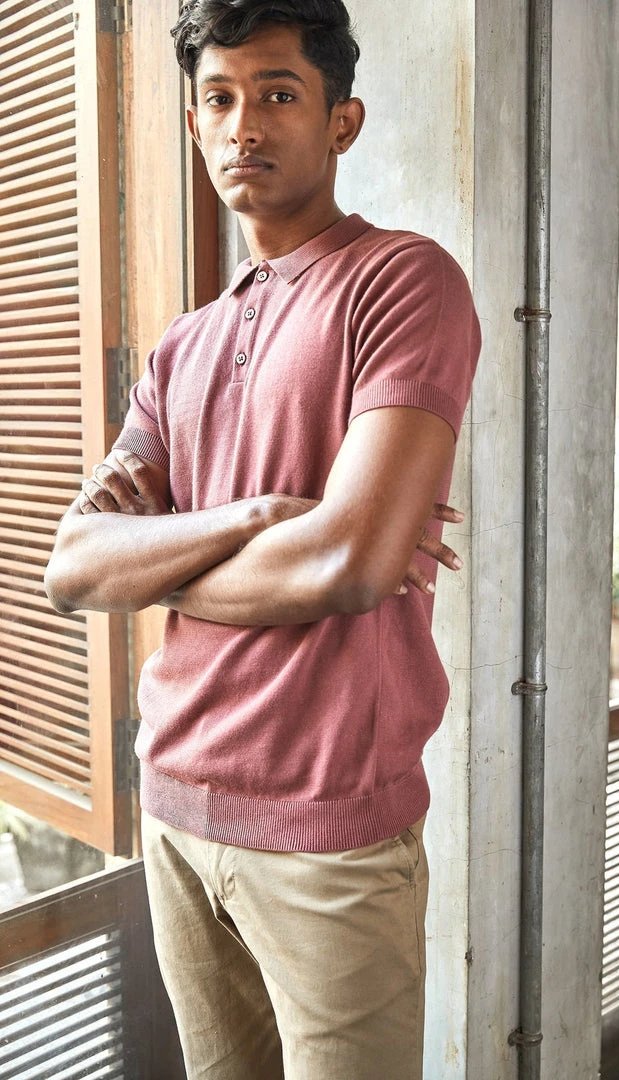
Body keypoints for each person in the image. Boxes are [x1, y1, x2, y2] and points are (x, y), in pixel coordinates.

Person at [45, 1, 480, 1077]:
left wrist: (159, 562)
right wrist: (257, 517)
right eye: (220, 99)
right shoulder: (179, 349)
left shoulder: (403, 281)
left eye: (279, 94)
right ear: (195, 123)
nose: (244, 124)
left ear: (341, 121)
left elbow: (349, 566)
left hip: (329, 831)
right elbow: (73, 566)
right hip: (176, 811)